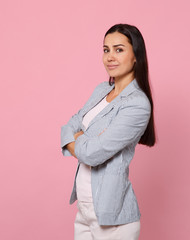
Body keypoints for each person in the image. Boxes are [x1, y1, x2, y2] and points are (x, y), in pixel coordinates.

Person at [60, 23, 156, 240]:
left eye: (119, 49)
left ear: (135, 56)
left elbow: (94, 153)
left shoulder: (137, 104)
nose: (110, 56)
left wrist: (77, 141)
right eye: (106, 50)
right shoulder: (101, 91)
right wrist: (82, 141)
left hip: (113, 218)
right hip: (84, 210)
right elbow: (69, 126)